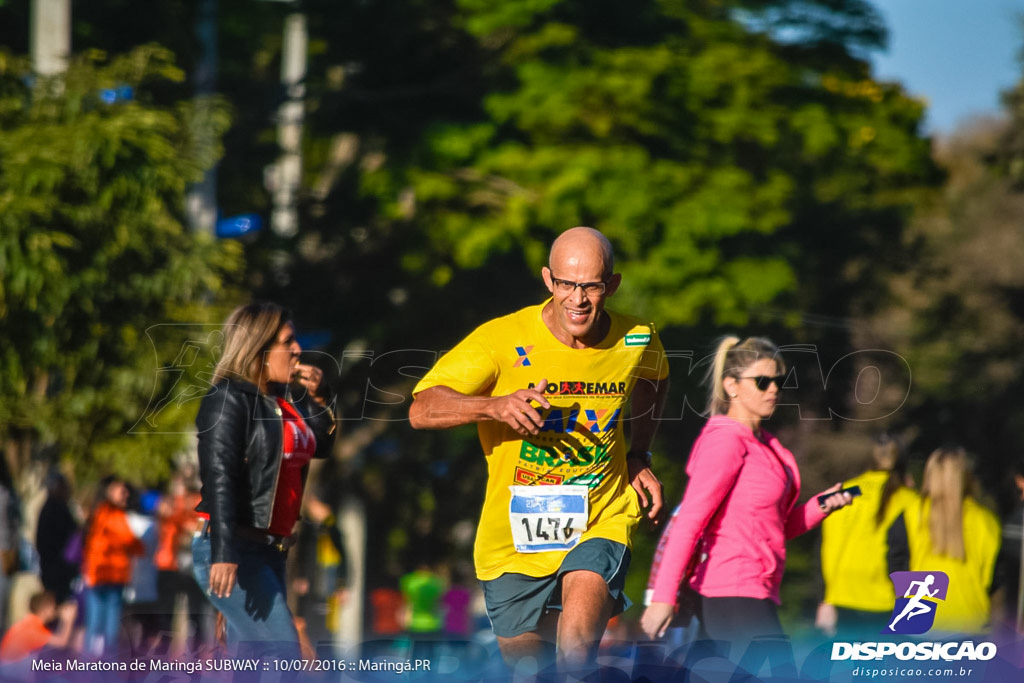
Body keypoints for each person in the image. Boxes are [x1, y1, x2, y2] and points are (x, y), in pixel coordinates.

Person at [410, 227, 669, 673]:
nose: (578, 299)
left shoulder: (637, 338)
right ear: (548, 280)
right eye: (567, 284)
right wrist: (494, 405)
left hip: (599, 516)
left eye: (591, 285)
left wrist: (639, 454)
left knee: (575, 656)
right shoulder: (502, 338)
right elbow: (422, 408)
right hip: (513, 538)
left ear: (612, 284)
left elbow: (654, 380)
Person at [640, 337, 853, 664]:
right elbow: (690, 521)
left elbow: (772, 529)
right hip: (730, 589)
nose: (773, 390)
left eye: (778, 382)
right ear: (732, 386)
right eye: (763, 381)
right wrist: (663, 598)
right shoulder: (725, 440)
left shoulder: (766, 446)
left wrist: (819, 506)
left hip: (755, 590)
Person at [192, 301, 336, 665]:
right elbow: (219, 477)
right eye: (288, 342)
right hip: (236, 550)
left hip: (270, 553)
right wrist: (225, 554)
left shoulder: (279, 404)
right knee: (284, 656)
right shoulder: (228, 398)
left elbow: (320, 445)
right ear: (259, 347)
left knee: (253, 666)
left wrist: (318, 400)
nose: (297, 351)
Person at [816, 433, 921, 638]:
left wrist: (823, 597)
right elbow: (905, 555)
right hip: (885, 598)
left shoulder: (841, 493)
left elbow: (820, 548)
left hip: (841, 596)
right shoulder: (909, 499)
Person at [907, 446, 1000, 634]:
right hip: (971, 623)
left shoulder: (911, 514)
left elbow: (895, 564)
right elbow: (995, 579)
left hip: (919, 622)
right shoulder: (986, 521)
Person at [80, 475, 145, 656]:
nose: (125, 494)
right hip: (110, 577)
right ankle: (106, 668)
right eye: (121, 489)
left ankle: (88, 666)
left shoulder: (98, 512)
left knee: (94, 624)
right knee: (109, 627)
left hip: (98, 576)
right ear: (109, 491)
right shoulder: (112, 514)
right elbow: (133, 543)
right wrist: (138, 545)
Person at [35, 471, 80, 605]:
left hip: (55, 566)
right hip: (57, 567)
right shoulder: (55, 509)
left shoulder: (54, 508)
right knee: (58, 602)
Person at [0, 591, 77, 662]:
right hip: (11, 671)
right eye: (54, 606)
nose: (55, 610)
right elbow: (61, 643)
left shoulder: (28, 622)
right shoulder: (33, 629)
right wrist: (69, 620)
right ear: (45, 609)